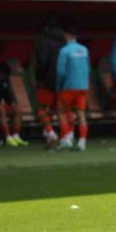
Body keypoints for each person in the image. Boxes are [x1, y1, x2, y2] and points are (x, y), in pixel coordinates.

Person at [56, 24, 91, 151]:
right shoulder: (84, 49)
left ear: (66, 35)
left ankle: (66, 139)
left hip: (69, 86)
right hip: (83, 86)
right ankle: (82, 142)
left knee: (61, 112)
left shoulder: (64, 51)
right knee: (81, 114)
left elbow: (60, 72)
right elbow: (88, 68)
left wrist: (59, 86)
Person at [34, 17, 65, 145]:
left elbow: (42, 61)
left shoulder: (44, 40)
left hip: (47, 79)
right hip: (62, 80)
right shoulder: (63, 41)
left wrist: (39, 77)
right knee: (54, 108)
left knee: (41, 108)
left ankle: (50, 132)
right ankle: (62, 135)